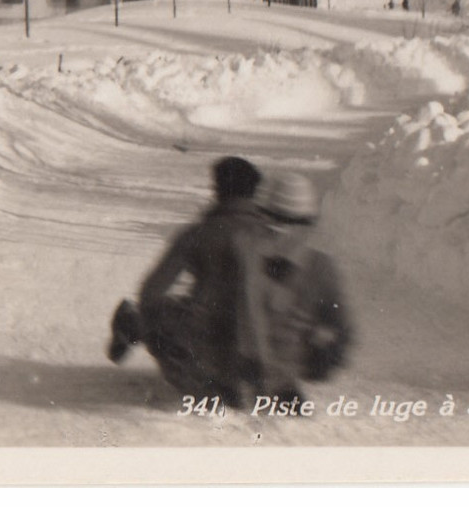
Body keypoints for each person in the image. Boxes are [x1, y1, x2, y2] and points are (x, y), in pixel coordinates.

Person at [106, 155, 269, 407]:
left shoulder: (198, 235)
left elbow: (151, 291)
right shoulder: (274, 240)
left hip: (201, 370)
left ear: (217, 191)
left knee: (167, 310)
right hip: (263, 377)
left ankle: (131, 324)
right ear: (255, 193)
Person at [243, 171, 353, 401]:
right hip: (240, 381)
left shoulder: (320, 268)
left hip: (276, 385)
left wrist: (319, 360)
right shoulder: (243, 259)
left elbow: (341, 331)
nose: (278, 230)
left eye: (288, 222)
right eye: (273, 220)